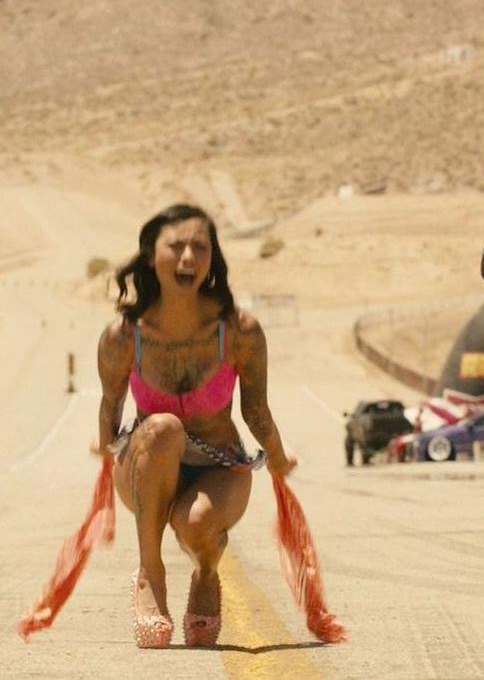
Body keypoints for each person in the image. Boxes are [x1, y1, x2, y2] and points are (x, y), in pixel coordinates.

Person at [89, 203, 298, 649]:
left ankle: (205, 572)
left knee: (199, 521)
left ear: (212, 257)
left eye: (200, 247)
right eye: (176, 246)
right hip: (147, 463)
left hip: (219, 466)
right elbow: (110, 407)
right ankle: (151, 573)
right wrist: (106, 453)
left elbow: (256, 410)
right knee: (163, 427)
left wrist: (279, 460)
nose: (188, 258)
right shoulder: (123, 336)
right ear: (151, 256)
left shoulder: (238, 331)